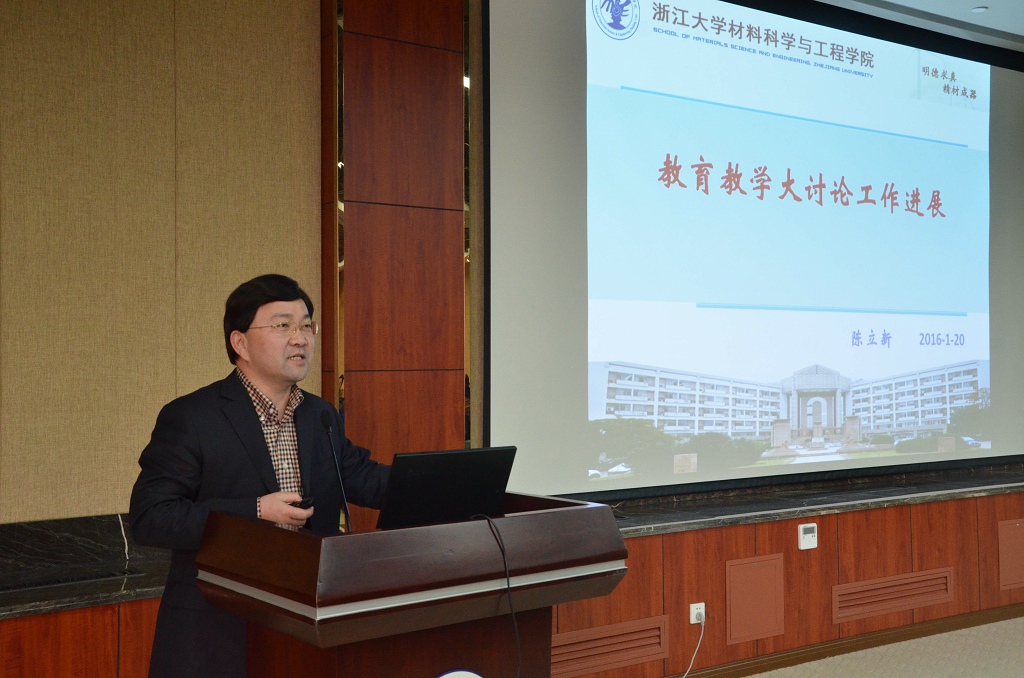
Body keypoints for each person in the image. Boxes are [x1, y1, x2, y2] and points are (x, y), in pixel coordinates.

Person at [129, 274, 389, 678]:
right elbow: (152, 517)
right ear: (240, 343)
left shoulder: (319, 414)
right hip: (215, 630)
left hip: (301, 631)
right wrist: (256, 511)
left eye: (306, 325)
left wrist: (446, 483)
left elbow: (362, 477)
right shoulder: (193, 417)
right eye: (283, 325)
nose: (300, 338)